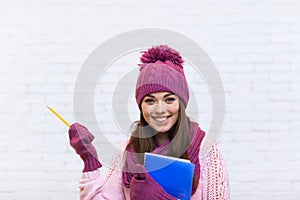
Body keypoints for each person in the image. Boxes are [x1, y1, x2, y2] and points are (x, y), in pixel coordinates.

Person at [68, 45, 230, 199]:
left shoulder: (206, 150)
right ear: (141, 106)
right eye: (150, 101)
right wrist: (89, 159)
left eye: (169, 99)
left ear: (181, 103)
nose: (159, 109)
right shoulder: (127, 150)